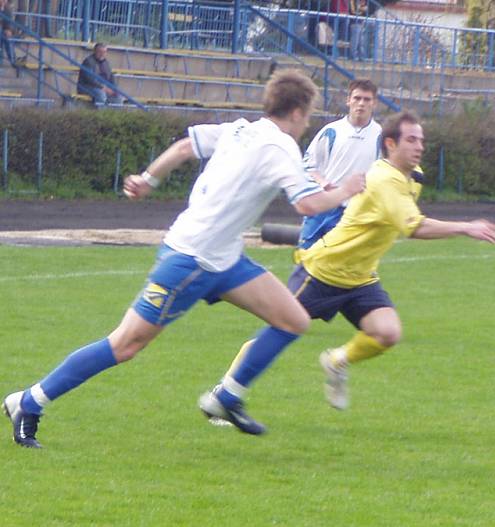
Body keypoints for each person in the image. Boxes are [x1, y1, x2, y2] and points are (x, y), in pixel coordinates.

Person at [2, 69, 366, 448]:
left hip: (224, 258)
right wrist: (345, 190)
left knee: (292, 319)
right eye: (308, 115)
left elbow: (182, 148)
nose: (307, 124)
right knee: (126, 343)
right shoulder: (280, 147)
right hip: (192, 259)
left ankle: (226, 397)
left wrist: (148, 179)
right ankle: (28, 402)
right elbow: (307, 204)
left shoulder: (240, 128)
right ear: (295, 112)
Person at [215, 110, 495, 412]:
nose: (420, 146)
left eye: (422, 140)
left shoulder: (413, 177)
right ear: (390, 144)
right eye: (411, 140)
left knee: (387, 333)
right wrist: (467, 227)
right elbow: (414, 226)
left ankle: (337, 361)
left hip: (361, 277)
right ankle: (226, 391)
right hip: (324, 271)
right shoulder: (383, 179)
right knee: (280, 327)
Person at [296, 78, 381, 249]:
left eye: (367, 99)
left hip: (354, 213)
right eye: (357, 98)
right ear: (348, 100)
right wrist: (324, 183)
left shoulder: (382, 136)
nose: (361, 104)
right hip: (323, 207)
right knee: (305, 260)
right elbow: (307, 166)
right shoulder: (331, 131)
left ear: (374, 103)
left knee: (342, 268)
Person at [0, 0, 17, 68]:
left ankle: (13, 60)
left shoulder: (7, 8)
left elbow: (10, 21)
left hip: (4, 30)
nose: (3, 1)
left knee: (8, 39)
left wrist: (9, 29)